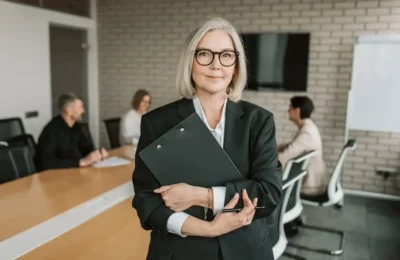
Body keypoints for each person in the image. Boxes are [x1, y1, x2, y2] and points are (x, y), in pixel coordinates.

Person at [132, 17, 282, 260]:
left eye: (226, 55)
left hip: (245, 249)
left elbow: (268, 195)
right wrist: (209, 229)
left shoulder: (259, 121)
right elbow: (146, 201)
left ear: (236, 65)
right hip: (180, 251)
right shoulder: (157, 122)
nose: (216, 65)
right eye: (204, 54)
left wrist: (199, 195)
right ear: (190, 62)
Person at [35, 93, 108, 171]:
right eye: (80, 107)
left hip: (75, 172)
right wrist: (80, 162)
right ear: (68, 110)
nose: (83, 111)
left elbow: (86, 149)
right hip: (54, 177)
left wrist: (98, 153)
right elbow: (47, 162)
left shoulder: (77, 127)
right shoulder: (51, 130)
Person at [278, 96, 327, 195]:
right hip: (311, 180)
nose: (288, 111)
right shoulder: (308, 127)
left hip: (311, 186)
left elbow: (283, 158)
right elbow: (295, 146)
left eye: (290, 108)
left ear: (297, 111)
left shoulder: (307, 132)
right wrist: (280, 147)